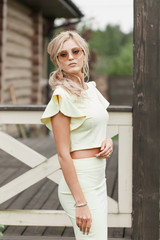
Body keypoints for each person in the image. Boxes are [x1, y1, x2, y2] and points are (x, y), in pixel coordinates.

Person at [40, 30, 113, 240]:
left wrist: (106, 141)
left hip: (99, 179)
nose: (70, 57)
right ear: (57, 60)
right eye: (63, 54)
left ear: (84, 54)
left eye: (75, 51)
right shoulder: (61, 96)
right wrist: (80, 202)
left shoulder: (91, 90)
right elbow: (63, 154)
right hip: (81, 185)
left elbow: (95, 127)